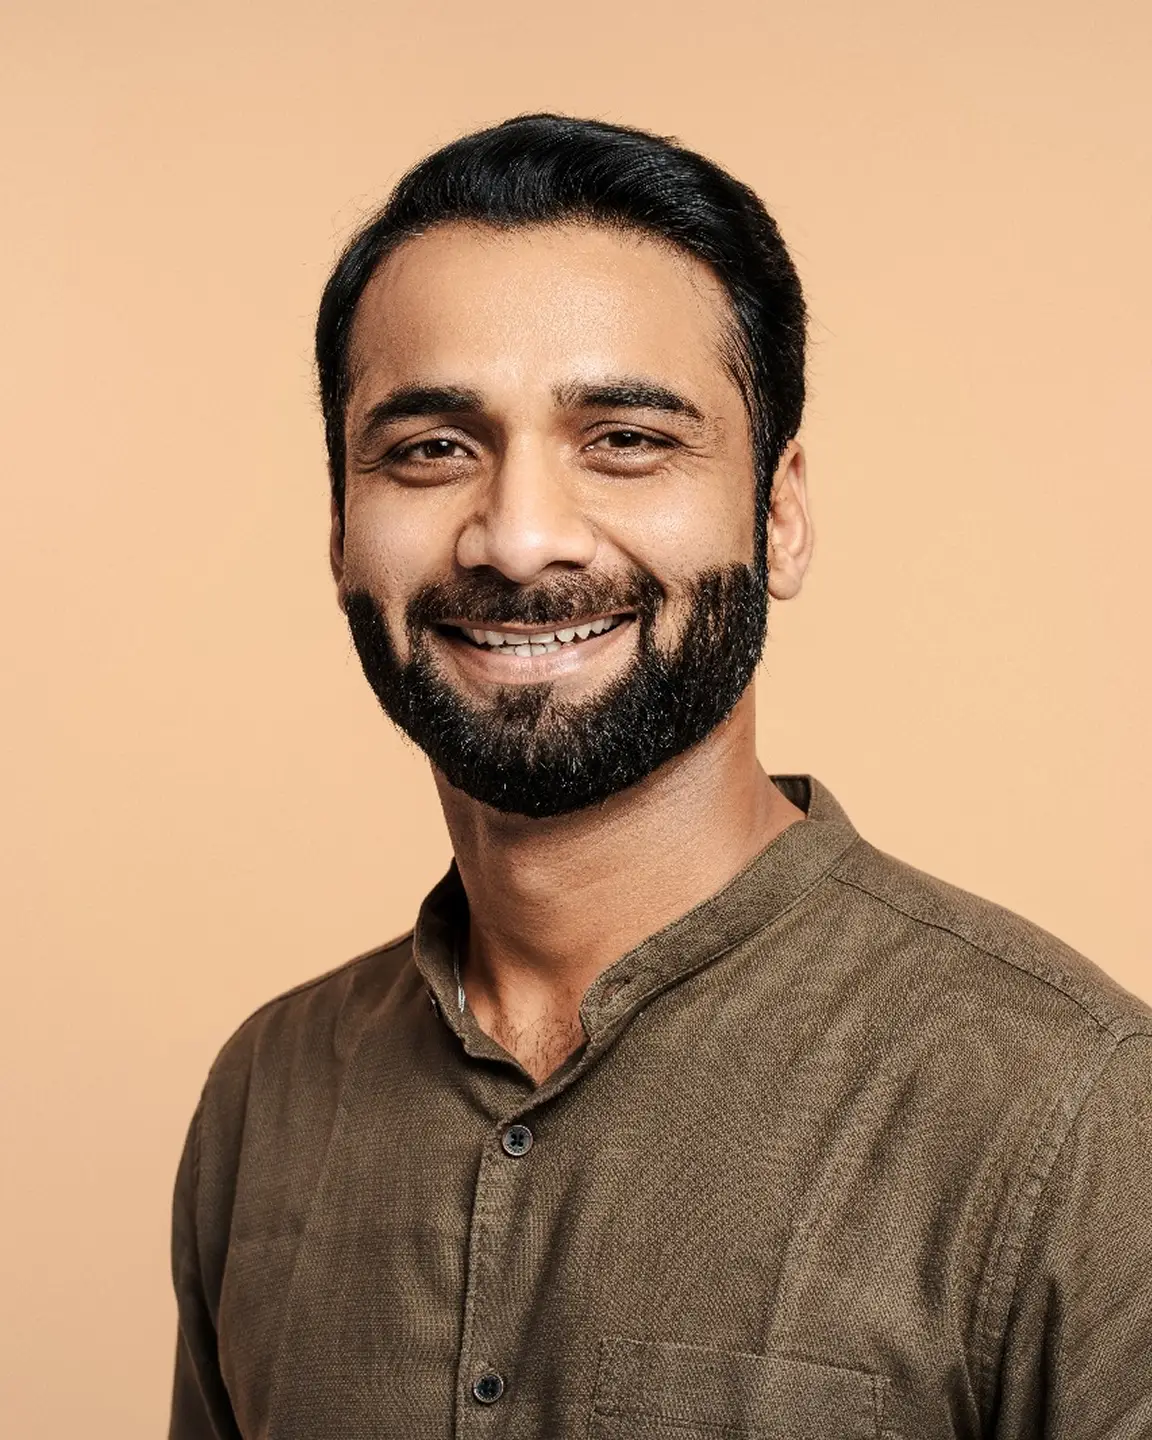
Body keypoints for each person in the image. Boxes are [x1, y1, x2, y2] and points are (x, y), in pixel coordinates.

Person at [168, 115, 1151, 1440]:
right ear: (342, 528)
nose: (519, 539)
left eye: (626, 438)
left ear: (781, 511)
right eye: (430, 449)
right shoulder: (268, 1095)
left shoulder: (1071, 1110)